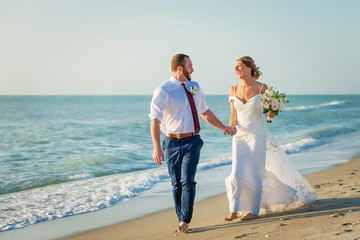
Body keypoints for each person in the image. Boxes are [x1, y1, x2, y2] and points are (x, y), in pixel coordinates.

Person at [149, 54, 235, 234]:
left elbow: (204, 111)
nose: (193, 69)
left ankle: (184, 221)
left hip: (193, 141)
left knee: (188, 181)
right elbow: (155, 120)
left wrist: (223, 127)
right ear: (180, 68)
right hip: (171, 142)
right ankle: (181, 216)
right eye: (190, 66)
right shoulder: (163, 90)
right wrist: (157, 147)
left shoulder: (194, 86)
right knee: (176, 184)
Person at [224, 56, 317, 221]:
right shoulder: (233, 89)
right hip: (239, 136)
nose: (236, 69)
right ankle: (234, 209)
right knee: (236, 172)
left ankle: (253, 211)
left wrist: (274, 109)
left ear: (250, 68)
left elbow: (269, 114)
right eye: (235, 67)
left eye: (239, 66)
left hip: (257, 135)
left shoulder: (262, 88)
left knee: (256, 173)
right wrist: (230, 128)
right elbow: (233, 115)